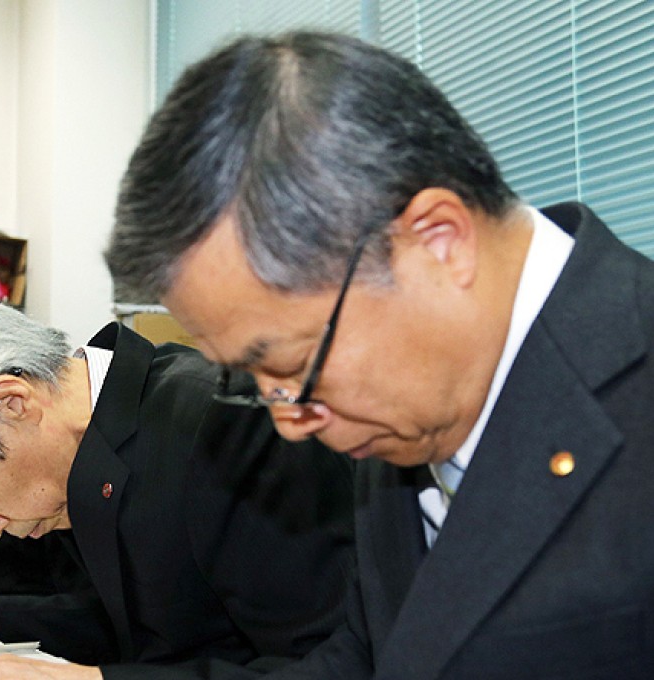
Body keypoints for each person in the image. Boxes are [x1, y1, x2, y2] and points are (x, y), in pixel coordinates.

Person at [104, 30, 654, 679]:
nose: (288, 420)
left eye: (292, 366)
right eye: (250, 380)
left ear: (438, 242)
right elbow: (370, 659)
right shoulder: (395, 407)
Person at [0, 292, 355, 678]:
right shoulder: (90, 452)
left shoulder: (221, 427)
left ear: (12, 404)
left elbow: (333, 664)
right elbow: (150, 617)